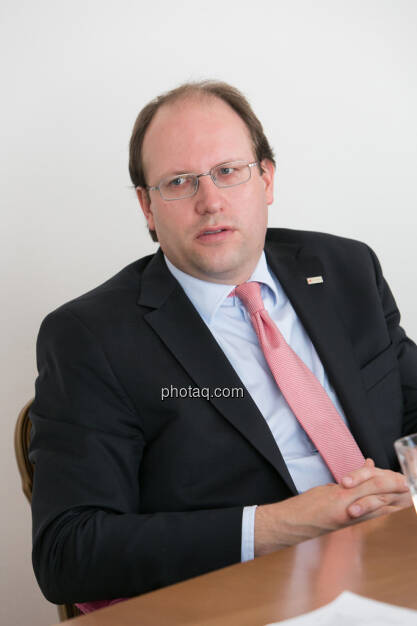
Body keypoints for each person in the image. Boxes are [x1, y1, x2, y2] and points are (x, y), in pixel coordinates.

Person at [29, 81, 416, 612]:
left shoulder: (346, 269)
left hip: (393, 559)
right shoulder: (90, 336)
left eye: (228, 171)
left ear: (267, 179)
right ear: (146, 206)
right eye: (178, 182)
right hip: (243, 599)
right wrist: (279, 525)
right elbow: (68, 552)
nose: (210, 202)